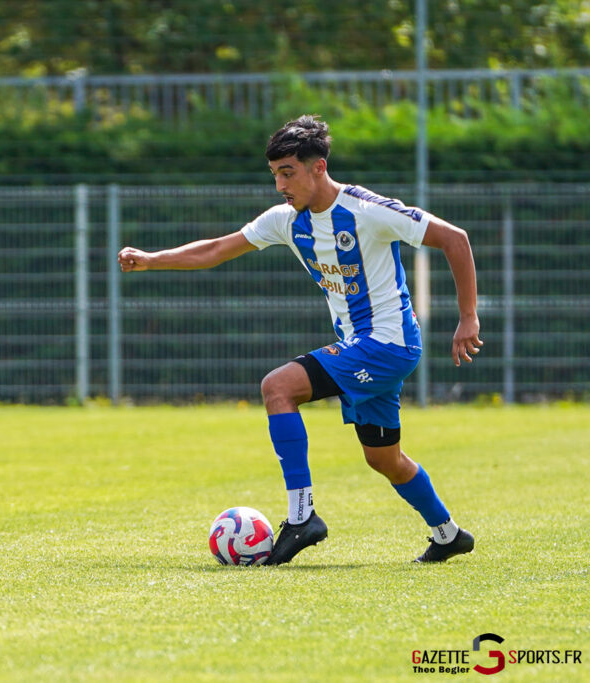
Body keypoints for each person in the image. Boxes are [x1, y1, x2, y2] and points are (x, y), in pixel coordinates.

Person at [118, 115, 483, 565]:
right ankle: (448, 534)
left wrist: (468, 317)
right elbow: (216, 249)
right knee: (384, 459)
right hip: (366, 349)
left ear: (319, 167)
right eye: (274, 174)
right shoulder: (286, 221)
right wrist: (152, 260)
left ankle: (302, 517)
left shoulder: (367, 211)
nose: (279, 186)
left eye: (287, 173)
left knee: (278, 386)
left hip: (387, 344)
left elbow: (455, 238)